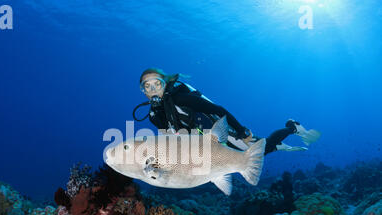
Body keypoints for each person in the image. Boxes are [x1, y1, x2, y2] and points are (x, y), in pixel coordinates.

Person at [133, 68, 320, 154]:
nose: (153, 90)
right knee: (255, 152)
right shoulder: (153, 116)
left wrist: (241, 131)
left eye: (157, 83)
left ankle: (291, 127)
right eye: (146, 86)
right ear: (143, 92)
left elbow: (217, 109)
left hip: (223, 130)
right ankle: (275, 144)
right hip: (207, 142)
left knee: (259, 151)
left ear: (165, 84)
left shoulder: (180, 98)